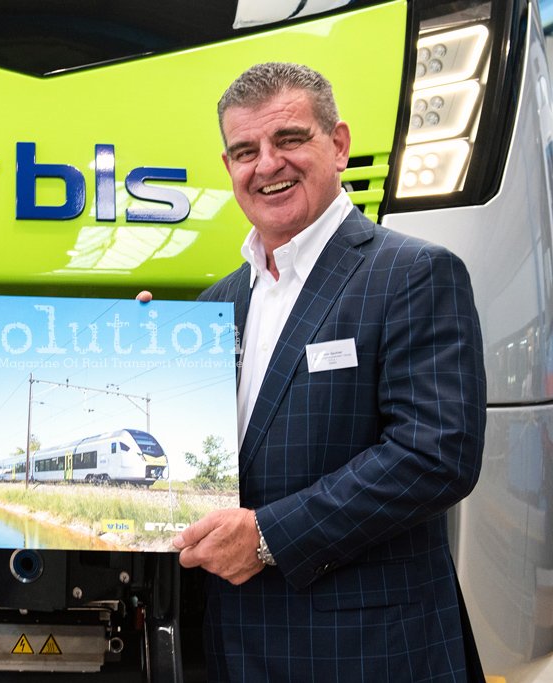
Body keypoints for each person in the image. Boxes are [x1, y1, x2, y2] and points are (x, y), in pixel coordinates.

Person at [171, 63, 487, 681]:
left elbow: (435, 453)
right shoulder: (215, 305)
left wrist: (268, 537)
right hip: (236, 646)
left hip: (366, 650)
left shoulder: (413, 273)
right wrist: (143, 354)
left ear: (338, 145)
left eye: (289, 139)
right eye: (245, 151)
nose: (267, 165)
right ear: (229, 166)